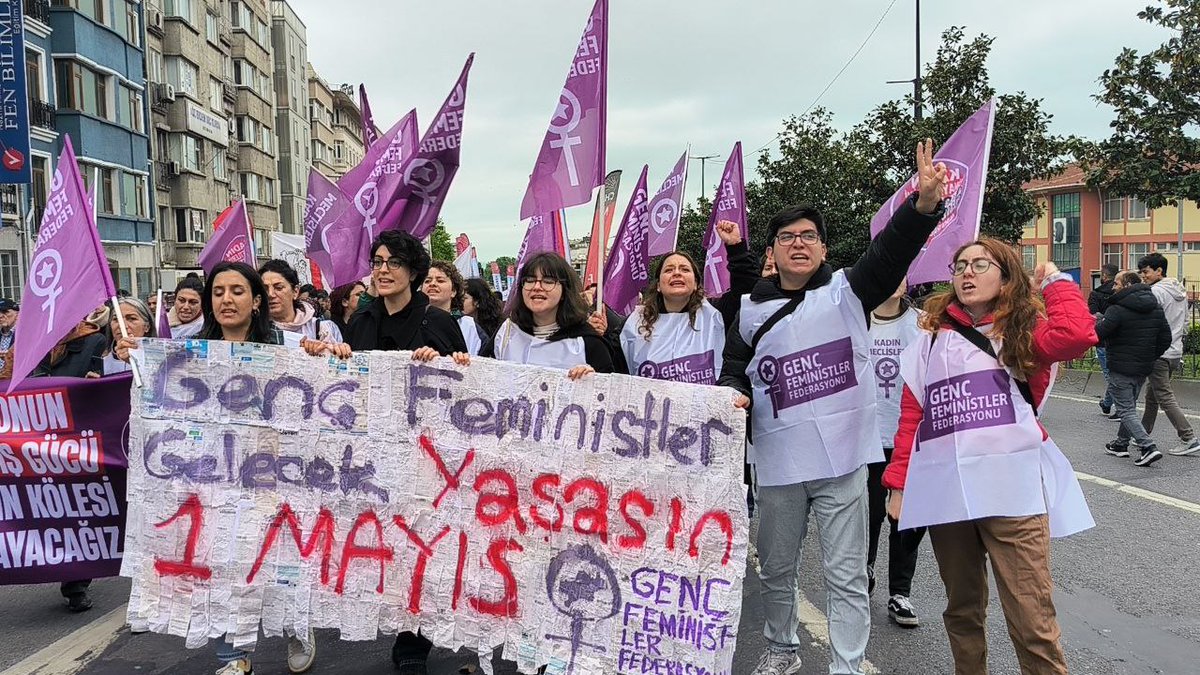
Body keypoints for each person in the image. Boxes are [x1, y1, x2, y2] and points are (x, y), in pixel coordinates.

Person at [719, 140, 948, 675]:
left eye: (809, 237)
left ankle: (848, 664)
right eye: (787, 237)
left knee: (845, 574)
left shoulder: (849, 291)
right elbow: (732, 367)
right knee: (777, 568)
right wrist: (735, 392)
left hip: (844, 464)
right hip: (777, 464)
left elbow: (892, 251)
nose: (799, 244)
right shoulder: (751, 311)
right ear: (772, 250)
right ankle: (781, 648)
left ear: (823, 249)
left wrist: (922, 204)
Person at [882, 244, 1096, 675]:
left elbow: (1077, 336)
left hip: (1012, 494)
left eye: (981, 265)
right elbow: (914, 416)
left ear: (1006, 275)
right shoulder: (930, 338)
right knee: (962, 611)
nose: (967, 273)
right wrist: (899, 484)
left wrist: (1055, 282)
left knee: (1031, 617)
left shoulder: (1022, 331)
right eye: (960, 265)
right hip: (949, 496)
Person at [116, 262, 338, 675]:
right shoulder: (190, 354)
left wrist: (327, 359)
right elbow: (158, 398)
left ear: (256, 302)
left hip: (276, 480)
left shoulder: (287, 348)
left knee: (278, 560)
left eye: (237, 291)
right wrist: (136, 357)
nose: (226, 300)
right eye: (218, 292)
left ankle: (293, 623)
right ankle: (232, 657)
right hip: (215, 483)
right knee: (220, 563)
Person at [342, 230, 468, 675]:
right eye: (377, 261)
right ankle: (400, 624)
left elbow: (469, 388)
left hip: (429, 460)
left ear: (413, 272)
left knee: (423, 542)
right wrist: (334, 355)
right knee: (388, 543)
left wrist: (445, 365)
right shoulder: (360, 322)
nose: (383, 269)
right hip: (376, 456)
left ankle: (416, 637)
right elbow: (347, 383)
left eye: (394, 262)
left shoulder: (437, 322)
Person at [29, 310, 108, 612]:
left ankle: (76, 583)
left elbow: (100, 386)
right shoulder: (35, 347)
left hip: (77, 441)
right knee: (48, 510)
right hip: (39, 442)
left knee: (77, 509)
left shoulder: (95, 341)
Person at [620, 219, 754, 382]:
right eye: (669, 270)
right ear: (658, 286)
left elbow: (747, 292)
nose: (677, 273)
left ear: (696, 283)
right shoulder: (634, 323)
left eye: (684, 269)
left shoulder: (716, 314)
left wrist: (736, 247)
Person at [865, 280, 926, 627]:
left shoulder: (920, 324)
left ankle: (900, 592)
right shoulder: (857, 319)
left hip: (908, 435)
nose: (895, 278)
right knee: (869, 513)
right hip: (866, 437)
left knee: (906, 518)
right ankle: (865, 570)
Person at [484, 252, 613, 376]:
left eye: (548, 281)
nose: (537, 287)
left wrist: (593, 381)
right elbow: (482, 379)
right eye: (530, 280)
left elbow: (611, 392)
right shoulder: (506, 333)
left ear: (564, 290)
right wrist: (465, 363)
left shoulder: (588, 343)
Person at [1099, 271, 1172, 465]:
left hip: (1120, 368)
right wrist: (1150, 356)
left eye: (1116, 283)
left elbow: (1098, 334)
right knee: (1129, 406)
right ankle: (1121, 444)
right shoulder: (1155, 307)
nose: (1113, 287)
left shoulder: (1116, 309)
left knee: (1125, 410)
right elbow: (1166, 338)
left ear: (1127, 285)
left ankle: (1148, 446)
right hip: (1143, 367)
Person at [1137, 253, 1199, 456]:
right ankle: (1143, 434)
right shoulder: (1178, 291)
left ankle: (1188, 436)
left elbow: (1149, 323)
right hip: (1174, 351)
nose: (1143, 276)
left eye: (1145, 272)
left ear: (1158, 271)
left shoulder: (1156, 292)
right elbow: (1186, 324)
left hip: (1159, 351)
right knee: (1152, 395)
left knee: (1163, 395)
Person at [259, 259, 343, 348]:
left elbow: (334, 360)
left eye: (279, 288)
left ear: (295, 292)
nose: (270, 294)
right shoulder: (254, 329)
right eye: (265, 289)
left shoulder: (319, 329)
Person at [422, 260, 484, 355]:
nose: (432, 284)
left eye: (440, 280)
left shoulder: (469, 326)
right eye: (427, 281)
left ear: (453, 291)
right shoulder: (410, 322)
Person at [1089, 263, 1119, 416]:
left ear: (1104, 276)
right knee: (1116, 374)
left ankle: (1121, 409)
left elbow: (1092, 316)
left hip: (1102, 339)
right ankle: (1107, 403)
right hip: (1120, 339)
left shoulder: (1096, 294)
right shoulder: (1121, 293)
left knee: (1110, 375)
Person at [99, 297, 155, 375]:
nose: (123, 326)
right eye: (116, 319)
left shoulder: (161, 361)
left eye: (132, 318)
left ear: (147, 326)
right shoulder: (101, 364)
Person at [463, 277, 505, 342]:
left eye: (464, 298)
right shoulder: (460, 323)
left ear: (477, 301)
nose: (459, 302)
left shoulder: (499, 327)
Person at [0, 298, 18, 375]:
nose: (0, 315)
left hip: (13, 379)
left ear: (17, 314)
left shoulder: (25, 335)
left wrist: (11, 357)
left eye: (5, 312)